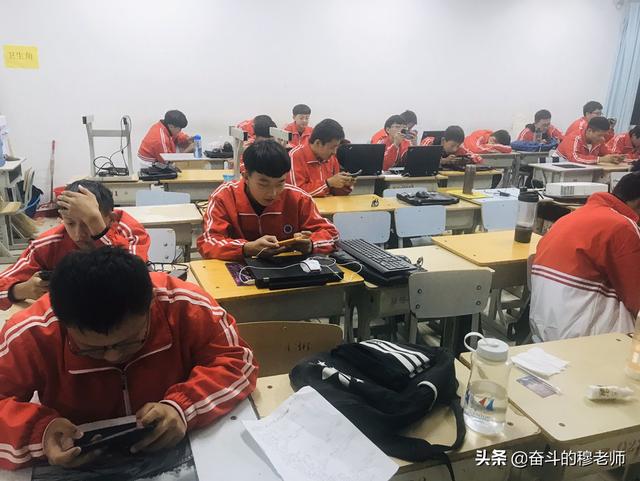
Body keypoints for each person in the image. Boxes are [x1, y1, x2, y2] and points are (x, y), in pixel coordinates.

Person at [0, 247, 257, 470]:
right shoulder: (31, 332)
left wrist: (183, 406)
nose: (112, 356)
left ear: (151, 303)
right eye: (91, 349)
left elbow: (237, 361)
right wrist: (39, 433)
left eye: (129, 341)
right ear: (61, 321)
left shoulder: (185, 305)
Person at [0, 180, 149, 311]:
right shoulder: (48, 244)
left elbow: (134, 283)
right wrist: (22, 290)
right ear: (61, 220)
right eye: (70, 223)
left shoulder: (130, 231)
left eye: (88, 223)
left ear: (111, 219)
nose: (78, 235)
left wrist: (99, 230)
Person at [530, 172, 640, 341]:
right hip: (583, 338)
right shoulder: (623, 227)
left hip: (542, 331)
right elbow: (636, 299)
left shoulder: (570, 217)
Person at [197, 140, 339, 261]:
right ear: (246, 177)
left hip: (287, 271)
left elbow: (331, 233)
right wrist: (246, 248)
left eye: (280, 183)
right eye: (263, 184)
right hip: (237, 272)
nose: (273, 193)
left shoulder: (299, 199)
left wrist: (311, 244)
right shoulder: (224, 197)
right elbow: (208, 241)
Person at [288, 119, 354, 197]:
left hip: (328, 204)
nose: (334, 152)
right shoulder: (295, 156)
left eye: (337, 147)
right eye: (332, 147)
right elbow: (296, 193)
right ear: (318, 143)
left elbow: (334, 192)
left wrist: (344, 185)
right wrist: (328, 183)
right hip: (306, 205)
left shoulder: (331, 158)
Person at [557, 116, 624, 164]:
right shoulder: (575, 138)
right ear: (589, 131)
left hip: (583, 170)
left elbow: (607, 153)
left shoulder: (599, 140)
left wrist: (615, 157)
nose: (603, 138)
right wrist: (600, 159)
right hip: (559, 167)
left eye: (604, 135)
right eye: (600, 135)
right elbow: (574, 158)